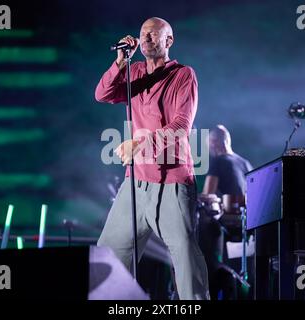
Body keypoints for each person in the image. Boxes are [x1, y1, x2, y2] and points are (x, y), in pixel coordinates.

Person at [95, 17, 209, 300]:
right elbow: (102, 94)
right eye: (143, 34)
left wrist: (140, 143)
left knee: (184, 257)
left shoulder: (183, 75)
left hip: (172, 181)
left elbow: (182, 126)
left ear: (168, 41)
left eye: (153, 34)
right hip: (136, 182)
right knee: (109, 253)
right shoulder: (133, 72)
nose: (146, 38)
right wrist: (120, 62)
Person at [200, 124, 253, 299]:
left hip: (228, 230)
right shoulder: (245, 163)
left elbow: (207, 197)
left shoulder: (219, 161)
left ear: (214, 143)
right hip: (248, 229)